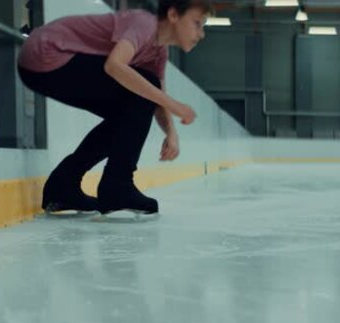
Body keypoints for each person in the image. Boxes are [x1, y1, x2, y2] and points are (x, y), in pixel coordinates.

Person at [16, 0, 213, 215]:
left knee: (127, 116)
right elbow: (115, 66)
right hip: (46, 53)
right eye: (197, 23)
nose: (201, 34)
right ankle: (118, 184)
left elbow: (156, 98)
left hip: (40, 66)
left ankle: (63, 185)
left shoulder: (159, 53)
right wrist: (174, 105)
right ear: (174, 15)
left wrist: (171, 133)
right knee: (141, 92)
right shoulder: (144, 23)